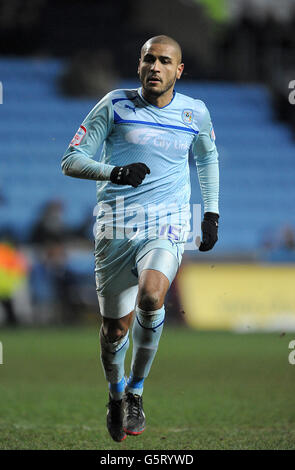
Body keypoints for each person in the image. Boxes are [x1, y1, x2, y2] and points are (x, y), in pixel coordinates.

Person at [61, 35, 219, 442]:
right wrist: (114, 173)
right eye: (149, 59)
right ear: (139, 65)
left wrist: (211, 212)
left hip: (167, 223)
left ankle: (136, 390)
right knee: (115, 329)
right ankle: (115, 395)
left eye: (165, 61)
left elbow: (206, 156)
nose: (155, 67)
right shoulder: (115, 105)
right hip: (115, 226)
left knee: (152, 295)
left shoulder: (194, 113)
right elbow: (71, 160)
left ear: (178, 70)